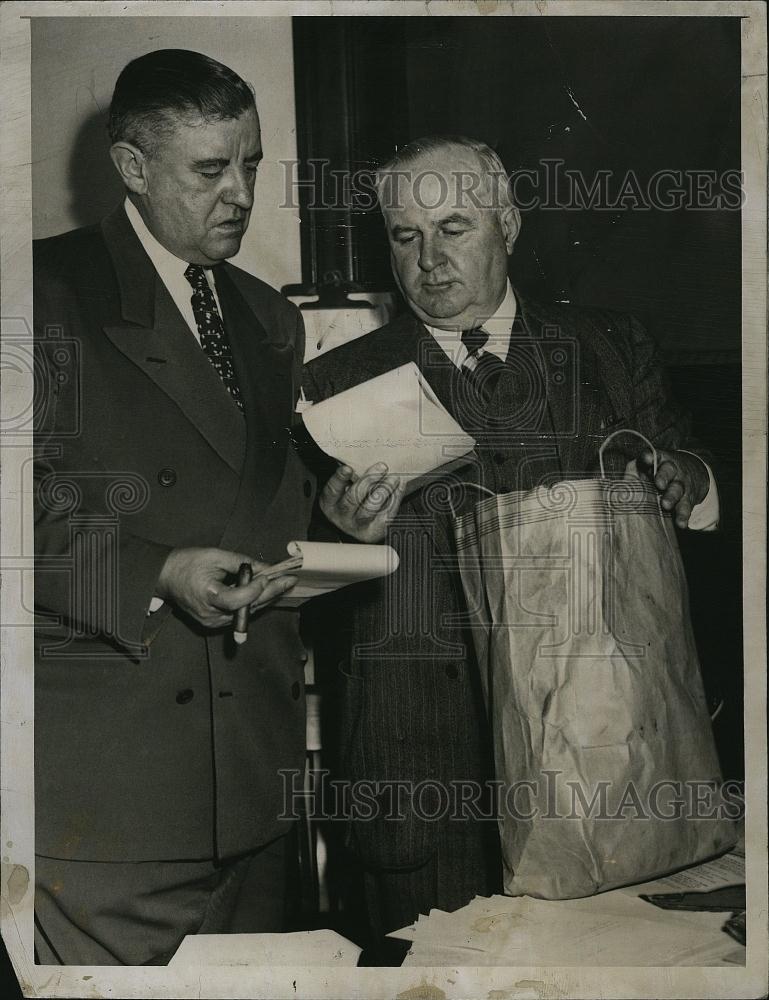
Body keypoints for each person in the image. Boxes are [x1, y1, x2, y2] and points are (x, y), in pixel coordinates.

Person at [303, 135, 719, 940]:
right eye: (404, 236)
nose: (428, 258)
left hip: (600, 763)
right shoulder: (334, 381)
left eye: (453, 227)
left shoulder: (608, 347)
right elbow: (305, 588)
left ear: (509, 224)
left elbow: (694, 474)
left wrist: (686, 480)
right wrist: (338, 533)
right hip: (421, 779)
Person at [32, 48, 388, 966]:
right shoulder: (39, 296)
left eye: (252, 165)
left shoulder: (271, 319)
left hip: (253, 783)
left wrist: (333, 533)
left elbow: (255, 535)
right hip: (110, 796)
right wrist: (155, 569)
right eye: (210, 169)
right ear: (131, 168)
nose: (240, 193)